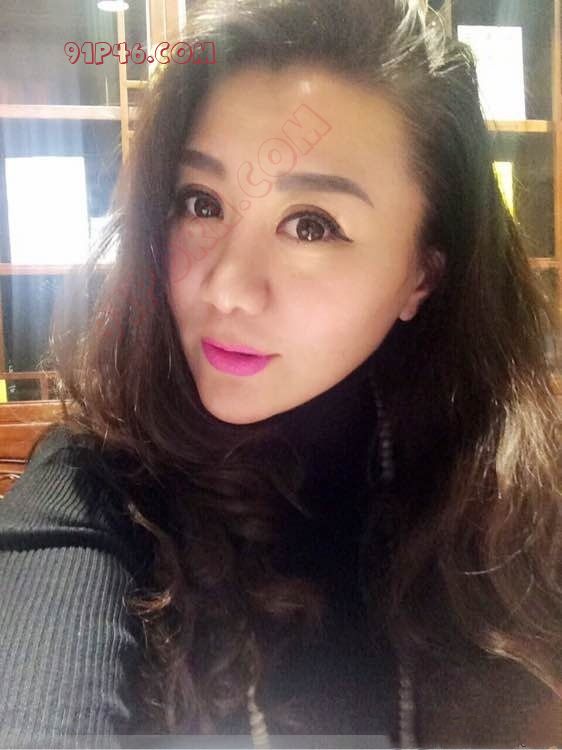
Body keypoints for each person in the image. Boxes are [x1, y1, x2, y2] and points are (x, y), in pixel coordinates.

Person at [1, 0, 561, 747]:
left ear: (421, 274)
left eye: (311, 225)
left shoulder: (523, 500)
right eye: (201, 203)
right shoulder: (97, 486)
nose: (227, 287)